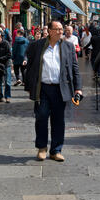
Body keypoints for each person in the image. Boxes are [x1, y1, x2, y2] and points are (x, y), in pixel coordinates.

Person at [24, 20, 82, 162]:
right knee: (41, 117)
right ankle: (42, 148)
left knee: (58, 120)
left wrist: (78, 88)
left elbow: (75, 68)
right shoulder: (37, 46)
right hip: (42, 88)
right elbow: (30, 66)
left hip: (60, 88)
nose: (60, 32)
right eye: (57, 29)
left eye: (61, 29)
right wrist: (29, 86)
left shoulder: (68, 47)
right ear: (49, 31)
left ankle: (56, 150)